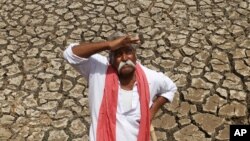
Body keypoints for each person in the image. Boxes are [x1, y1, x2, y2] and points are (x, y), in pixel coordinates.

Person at [63, 32, 177, 141]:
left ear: (135, 55)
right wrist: (108, 45)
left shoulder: (149, 78)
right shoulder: (99, 70)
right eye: (118, 54)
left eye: (128, 52)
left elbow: (170, 88)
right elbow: (70, 54)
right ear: (111, 60)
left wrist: (151, 113)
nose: (124, 58)